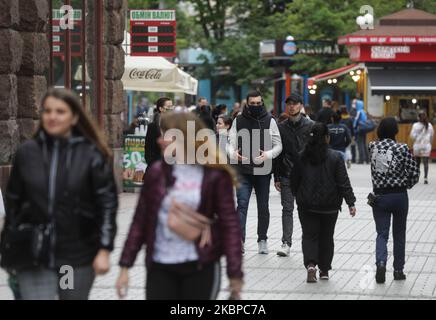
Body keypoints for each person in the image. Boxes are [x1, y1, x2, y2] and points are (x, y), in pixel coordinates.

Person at [0, 88, 118, 300]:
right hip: (34, 254)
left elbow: (106, 204)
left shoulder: (90, 154)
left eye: (60, 111)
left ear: (74, 117)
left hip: (73, 258)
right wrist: (9, 247)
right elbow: (14, 204)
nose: (52, 117)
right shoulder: (27, 153)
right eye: (47, 111)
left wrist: (104, 249)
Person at [116, 112, 243, 300]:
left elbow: (230, 225)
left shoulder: (214, 176)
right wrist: (125, 266)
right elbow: (140, 221)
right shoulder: (157, 173)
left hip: (200, 264)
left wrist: (234, 273)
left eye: (166, 135)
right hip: (160, 265)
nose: (159, 141)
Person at [291, 123, 356, 283]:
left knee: (309, 235)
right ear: (327, 138)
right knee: (327, 237)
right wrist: (350, 202)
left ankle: (311, 265)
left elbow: (294, 180)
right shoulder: (336, 157)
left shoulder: (301, 156)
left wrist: (298, 195)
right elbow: (343, 182)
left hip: (306, 205)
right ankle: (325, 270)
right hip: (330, 206)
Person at [228, 91, 282, 254]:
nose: (257, 106)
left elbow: (278, 145)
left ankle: (263, 239)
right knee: (242, 205)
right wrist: (233, 154)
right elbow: (229, 142)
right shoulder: (238, 120)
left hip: (263, 171)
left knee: (263, 206)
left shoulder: (270, 120)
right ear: (247, 103)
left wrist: (267, 155)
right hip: (242, 170)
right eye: (253, 103)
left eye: (259, 103)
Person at [369, 117, 419, 284]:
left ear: (380, 130)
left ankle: (381, 263)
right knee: (399, 234)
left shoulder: (372, 147)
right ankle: (398, 270)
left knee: (382, 234)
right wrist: (407, 185)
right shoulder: (402, 148)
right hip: (399, 196)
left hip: (380, 196)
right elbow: (414, 172)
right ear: (396, 131)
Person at [273, 93, 313, 257]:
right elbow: (277, 153)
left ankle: (309, 241)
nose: (291, 106)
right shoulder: (281, 127)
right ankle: (286, 242)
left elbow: (316, 152)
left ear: (301, 105)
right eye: (289, 103)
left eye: (295, 103)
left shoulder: (311, 126)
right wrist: (276, 176)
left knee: (306, 210)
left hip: (307, 175)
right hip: (287, 173)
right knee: (287, 209)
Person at [144, 97, 173, 168]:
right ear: (161, 109)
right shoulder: (153, 126)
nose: (171, 109)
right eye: (168, 107)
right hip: (156, 163)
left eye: (172, 106)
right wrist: (151, 163)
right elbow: (148, 147)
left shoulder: (175, 124)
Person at [410, 111, 434, 184]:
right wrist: (429, 143)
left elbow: (412, 136)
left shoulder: (415, 125)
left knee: (417, 162)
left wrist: (416, 138)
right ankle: (425, 178)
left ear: (418, 117)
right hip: (426, 145)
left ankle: (416, 177)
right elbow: (432, 136)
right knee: (426, 162)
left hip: (417, 145)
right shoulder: (429, 125)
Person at [353, 99, 370, 164]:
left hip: (359, 130)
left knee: (360, 145)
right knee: (364, 144)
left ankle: (361, 159)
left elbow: (355, 121)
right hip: (364, 130)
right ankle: (367, 159)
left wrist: (354, 127)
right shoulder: (364, 111)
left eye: (356, 104)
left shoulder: (359, 112)